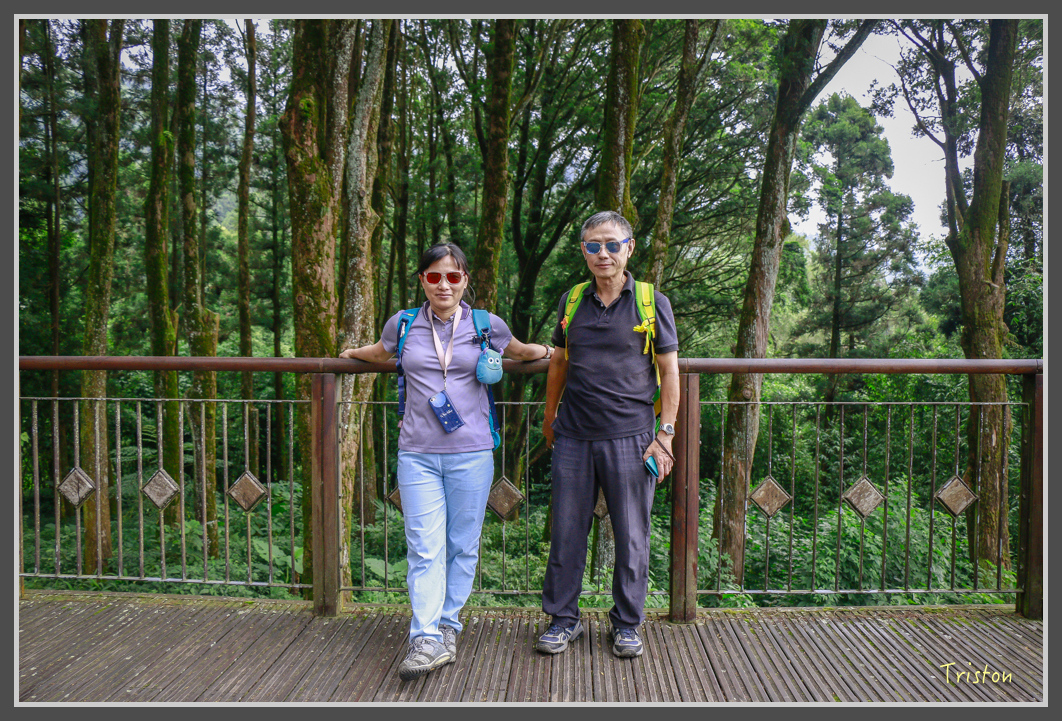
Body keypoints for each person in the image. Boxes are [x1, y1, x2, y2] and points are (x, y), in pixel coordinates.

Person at [339, 243, 552, 681]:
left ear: (465, 282)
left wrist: (553, 352)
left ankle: (448, 626)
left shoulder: (483, 324)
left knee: (462, 545)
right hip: (416, 454)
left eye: (453, 277)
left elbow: (521, 351)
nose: (443, 284)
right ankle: (424, 635)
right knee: (423, 546)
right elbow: (381, 352)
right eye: (434, 276)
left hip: (472, 455)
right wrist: (350, 356)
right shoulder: (403, 324)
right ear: (422, 280)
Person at [536, 210, 679, 659]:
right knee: (566, 531)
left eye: (612, 245)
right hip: (574, 434)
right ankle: (563, 619)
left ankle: (627, 624)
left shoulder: (651, 301)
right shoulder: (571, 300)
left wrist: (666, 434)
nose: (603, 254)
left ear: (629, 248)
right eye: (594, 245)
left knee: (633, 534)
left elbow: (668, 370)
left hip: (632, 436)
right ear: (583, 251)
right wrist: (549, 416)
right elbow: (558, 361)